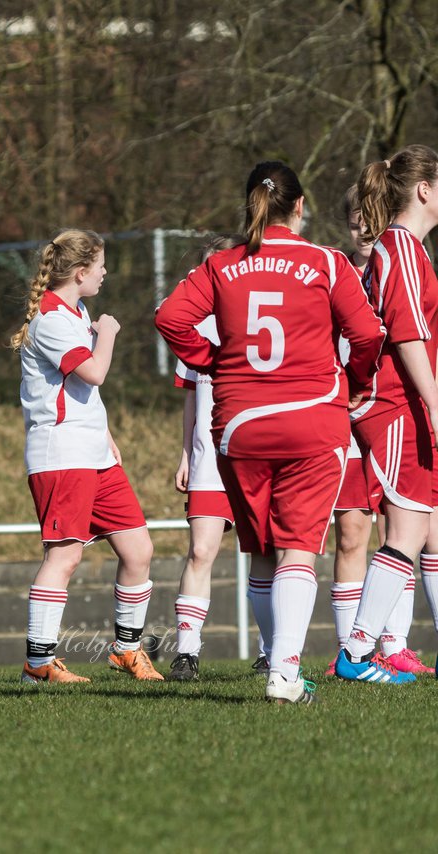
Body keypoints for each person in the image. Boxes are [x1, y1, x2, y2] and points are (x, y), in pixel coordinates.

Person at [156, 161, 385, 703]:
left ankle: (272, 664)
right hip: (310, 420)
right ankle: (284, 672)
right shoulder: (327, 262)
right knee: (300, 550)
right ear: (300, 207)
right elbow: (368, 333)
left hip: (237, 426)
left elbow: (169, 317)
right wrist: (355, 382)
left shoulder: (222, 265)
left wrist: (213, 359)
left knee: (262, 548)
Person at [13, 228, 163, 685]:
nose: (105, 273)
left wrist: (107, 434)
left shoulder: (77, 311)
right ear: (80, 273)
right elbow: (94, 373)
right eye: (99, 266)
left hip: (94, 453)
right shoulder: (53, 320)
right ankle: (38, 663)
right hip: (61, 454)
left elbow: (79, 394)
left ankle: (126, 650)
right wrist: (110, 332)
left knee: (139, 549)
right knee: (65, 557)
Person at [337, 145, 438, 684]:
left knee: (424, 530)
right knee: (404, 529)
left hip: (411, 403)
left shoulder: (409, 249)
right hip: (398, 406)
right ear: (424, 190)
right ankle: (354, 655)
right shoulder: (398, 248)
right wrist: (435, 404)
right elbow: (404, 334)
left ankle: (359, 653)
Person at [168, 234, 244, 682]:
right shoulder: (193, 328)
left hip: (253, 452)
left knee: (267, 552)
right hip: (208, 459)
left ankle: (270, 651)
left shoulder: (254, 316)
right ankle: (187, 652)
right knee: (201, 550)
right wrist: (184, 456)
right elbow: (192, 400)